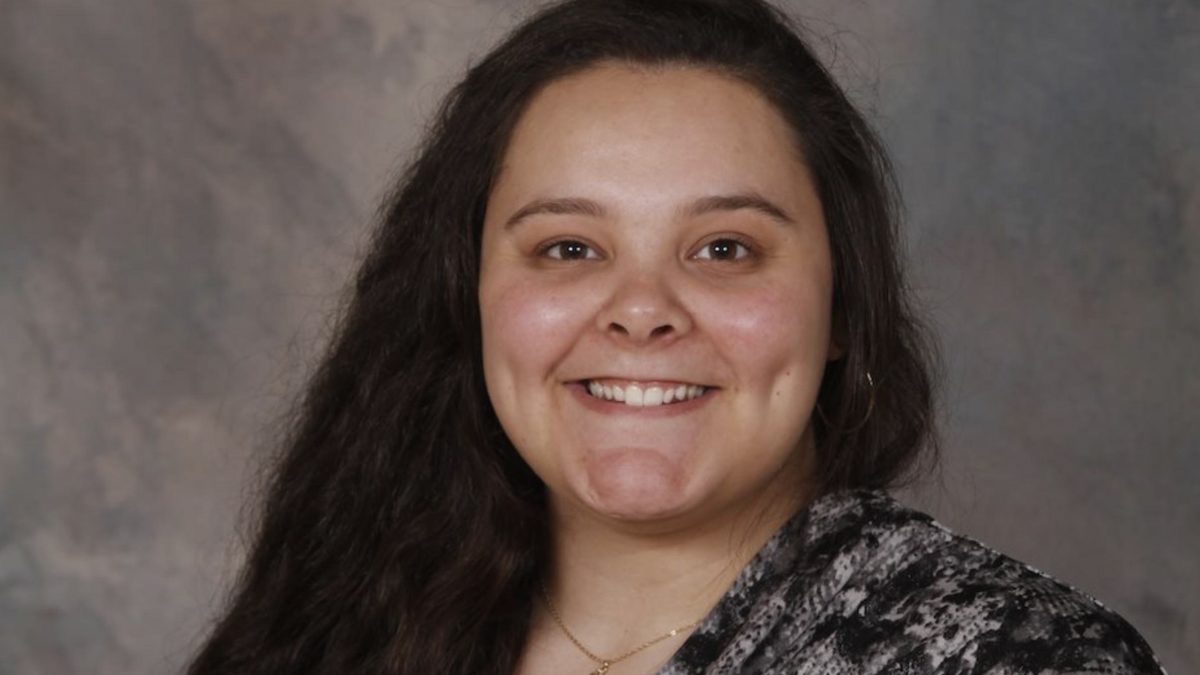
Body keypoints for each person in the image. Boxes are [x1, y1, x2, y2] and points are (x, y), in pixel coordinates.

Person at [186, 1, 1165, 673]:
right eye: (569, 247)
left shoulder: (1012, 656)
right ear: (468, 294)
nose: (642, 307)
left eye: (725, 247)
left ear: (842, 310)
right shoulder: (340, 622)